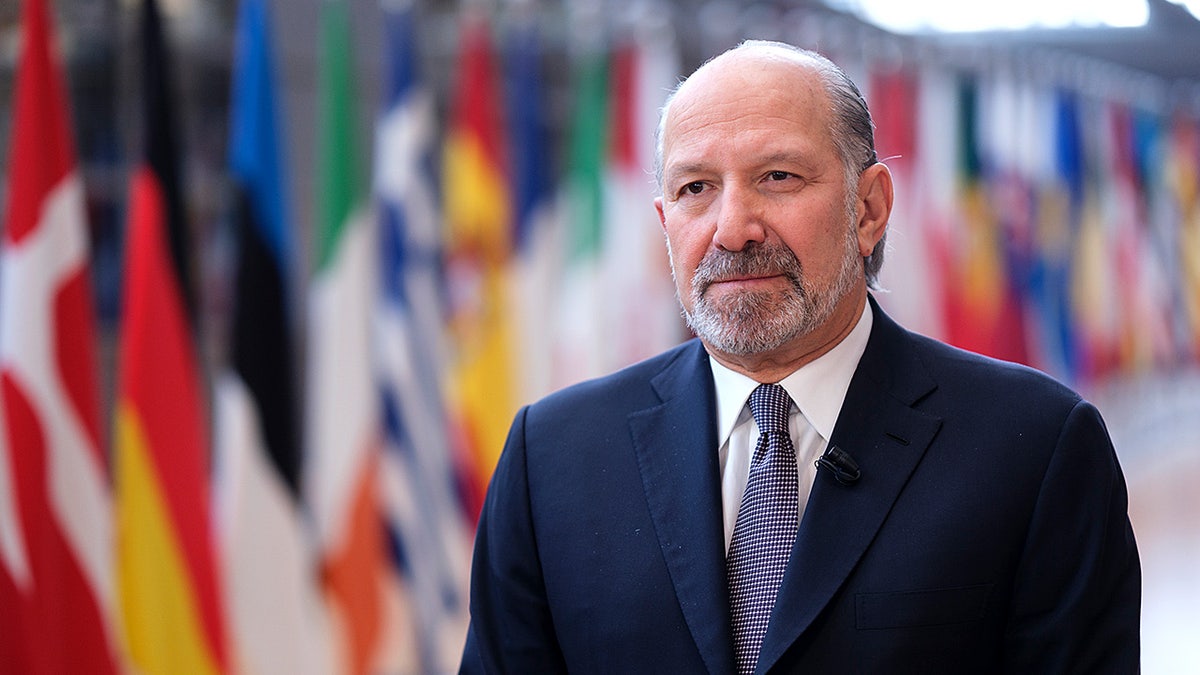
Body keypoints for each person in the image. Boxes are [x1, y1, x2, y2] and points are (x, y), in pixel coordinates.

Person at [459, 40, 1141, 674]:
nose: (732, 227)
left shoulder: (1037, 448)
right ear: (666, 223)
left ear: (869, 208)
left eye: (778, 176)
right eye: (696, 187)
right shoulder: (550, 458)